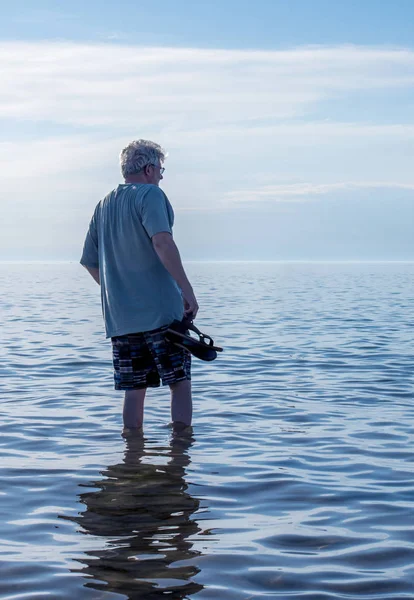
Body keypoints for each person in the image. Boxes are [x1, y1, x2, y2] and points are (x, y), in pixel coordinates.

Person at [80, 139, 198, 433]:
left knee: (134, 390)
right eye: (160, 169)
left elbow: (89, 262)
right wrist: (187, 289)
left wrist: (121, 292)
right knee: (178, 382)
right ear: (149, 168)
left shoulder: (104, 204)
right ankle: (180, 457)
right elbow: (162, 241)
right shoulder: (151, 195)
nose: (161, 175)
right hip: (161, 313)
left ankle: (132, 461)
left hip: (122, 318)